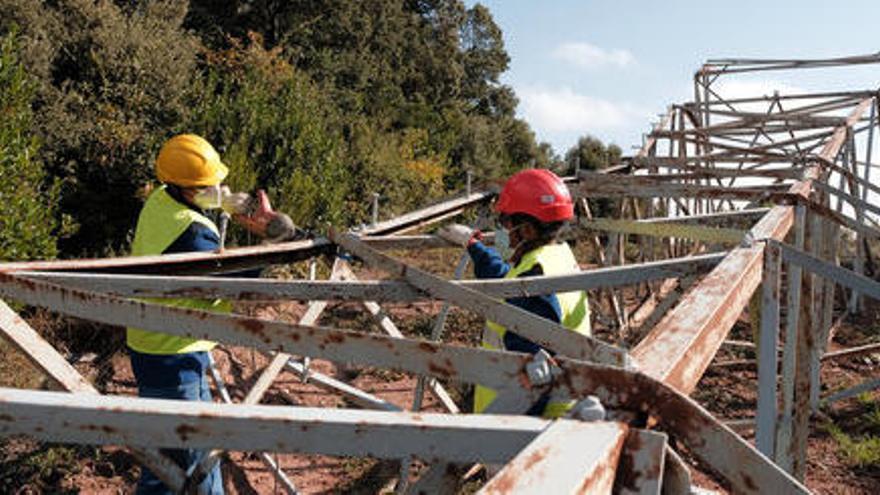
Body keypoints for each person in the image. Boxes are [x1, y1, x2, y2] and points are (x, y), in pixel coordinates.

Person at [126, 134, 276, 494]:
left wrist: (232, 205)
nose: (218, 187)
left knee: (187, 451)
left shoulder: (160, 202)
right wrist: (272, 235)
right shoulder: (193, 232)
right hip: (172, 354)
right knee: (179, 467)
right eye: (209, 185)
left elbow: (201, 213)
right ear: (190, 190)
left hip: (157, 343)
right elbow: (234, 282)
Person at [439, 168, 591, 419]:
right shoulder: (556, 258)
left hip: (527, 427)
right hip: (557, 412)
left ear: (528, 230)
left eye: (506, 222)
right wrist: (474, 246)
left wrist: (507, 435)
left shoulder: (534, 284)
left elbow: (533, 379)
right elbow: (507, 283)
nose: (502, 230)